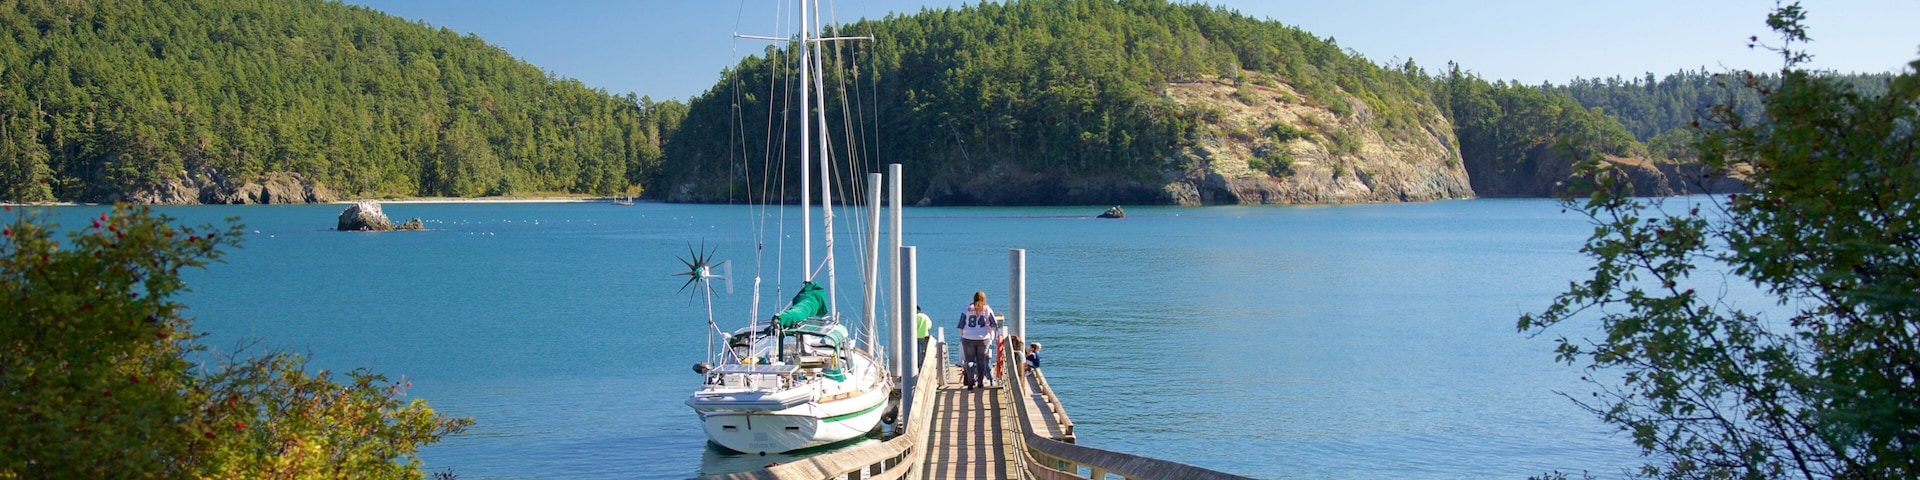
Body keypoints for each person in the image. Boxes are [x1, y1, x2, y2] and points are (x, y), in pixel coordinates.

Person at [958, 291, 998, 390]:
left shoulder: (967, 309)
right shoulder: (987, 309)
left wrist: (963, 333)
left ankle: (971, 380)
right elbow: (994, 323)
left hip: (968, 337)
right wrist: (989, 329)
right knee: (981, 360)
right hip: (983, 338)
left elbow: (961, 324)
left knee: (969, 360)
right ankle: (980, 381)